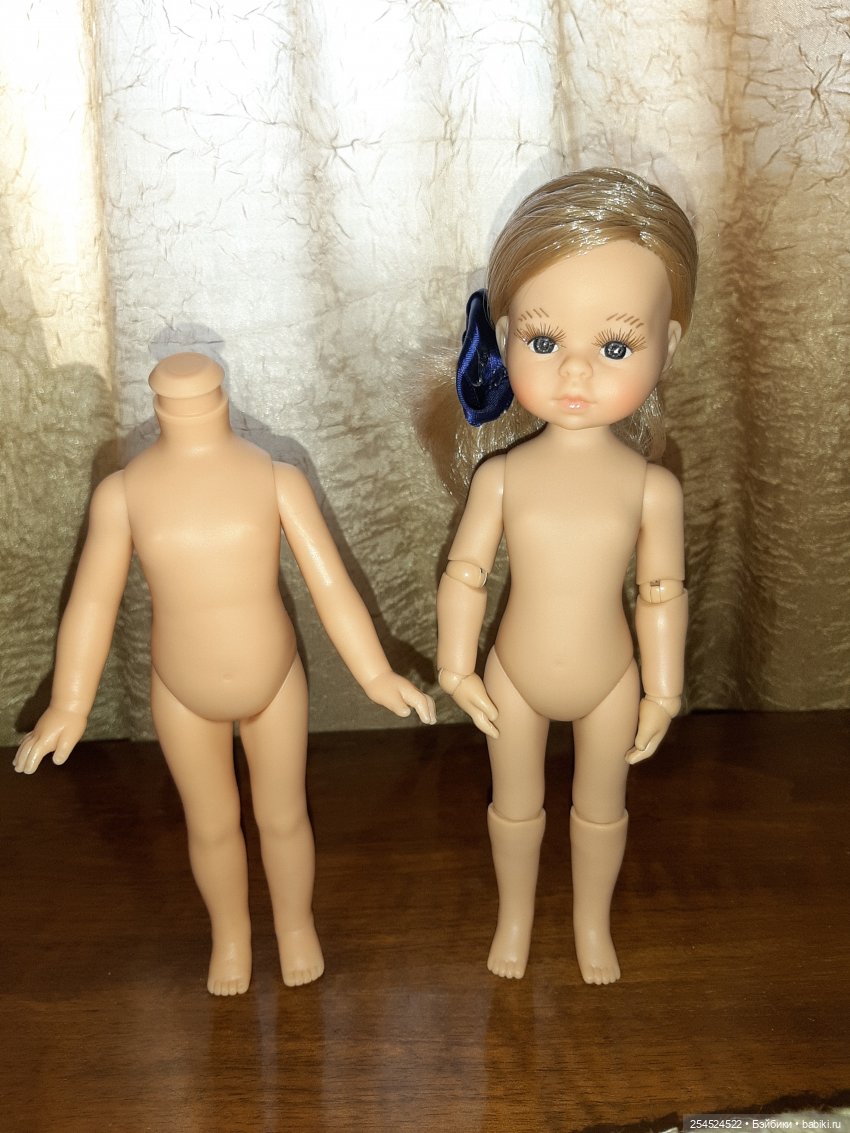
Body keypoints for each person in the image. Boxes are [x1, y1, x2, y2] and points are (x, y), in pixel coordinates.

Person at [14, 351, 436, 995]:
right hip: (180, 689)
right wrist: (70, 703)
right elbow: (92, 602)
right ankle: (231, 935)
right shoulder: (124, 494)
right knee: (210, 825)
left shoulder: (276, 478)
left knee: (284, 816)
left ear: (221, 395)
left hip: (274, 681)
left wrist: (376, 674)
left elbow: (331, 586)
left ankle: (295, 926)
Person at [424, 168, 698, 983]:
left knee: (601, 809)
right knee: (514, 807)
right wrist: (456, 665)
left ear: (668, 345)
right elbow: (465, 573)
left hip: (612, 679)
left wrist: (665, 689)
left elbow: (661, 593)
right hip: (512, 675)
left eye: (614, 348)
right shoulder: (503, 477)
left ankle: (590, 924)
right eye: (545, 342)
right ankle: (513, 919)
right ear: (507, 332)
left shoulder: (651, 489)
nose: (576, 374)